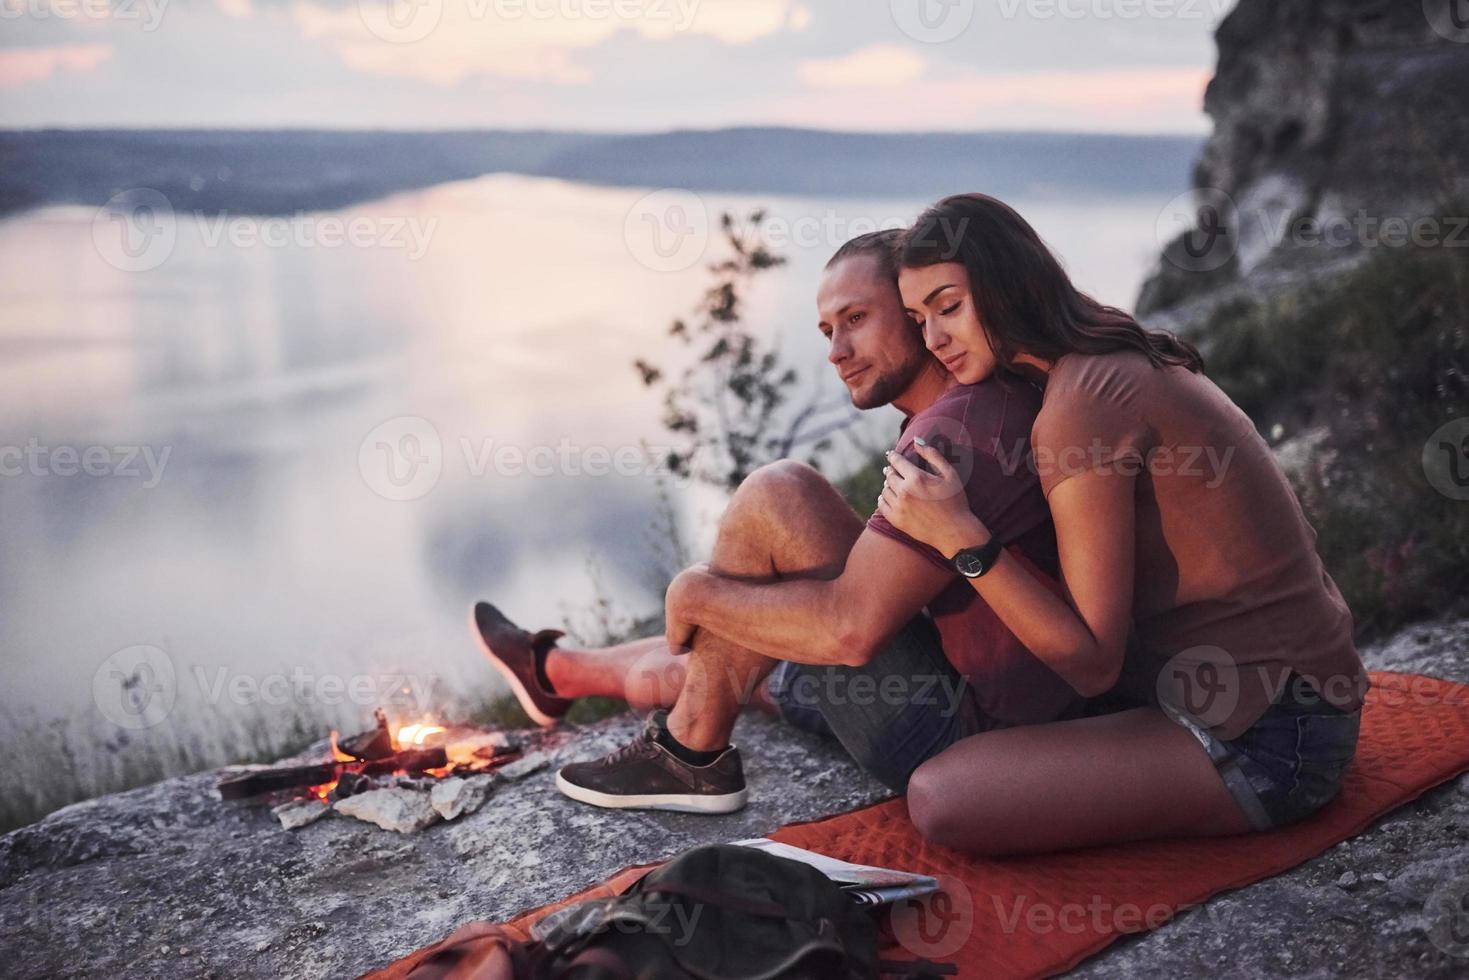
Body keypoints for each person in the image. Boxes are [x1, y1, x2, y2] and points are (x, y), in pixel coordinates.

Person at [472, 229, 1083, 814]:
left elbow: (850, 634)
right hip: (954, 679)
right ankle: (554, 672)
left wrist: (696, 592)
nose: (836, 353)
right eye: (826, 331)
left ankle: (687, 751)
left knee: (777, 495)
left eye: (856, 319)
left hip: (963, 735)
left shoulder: (953, 431)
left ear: (913, 307)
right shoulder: (978, 401)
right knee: (739, 656)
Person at [874, 193, 1369, 855]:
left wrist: (960, 539)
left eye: (948, 306)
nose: (932, 338)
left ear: (1009, 284)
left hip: (1272, 739)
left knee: (941, 796)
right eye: (916, 318)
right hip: (1292, 694)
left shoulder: (1081, 405)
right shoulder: (1096, 351)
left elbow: (1091, 666)